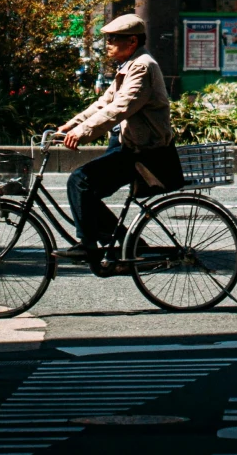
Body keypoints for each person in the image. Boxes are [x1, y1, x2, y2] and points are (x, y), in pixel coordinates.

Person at [56, 14, 183, 272]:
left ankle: (89, 245)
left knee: (79, 181)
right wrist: (72, 124)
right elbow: (105, 102)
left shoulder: (142, 67)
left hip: (142, 150)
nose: (108, 44)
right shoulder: (129, 65)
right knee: (87, 193)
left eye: (113, 39)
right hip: (127, 145)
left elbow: (121, 108)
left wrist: (83, 133)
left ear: (132, 41)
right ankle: (128, 245)